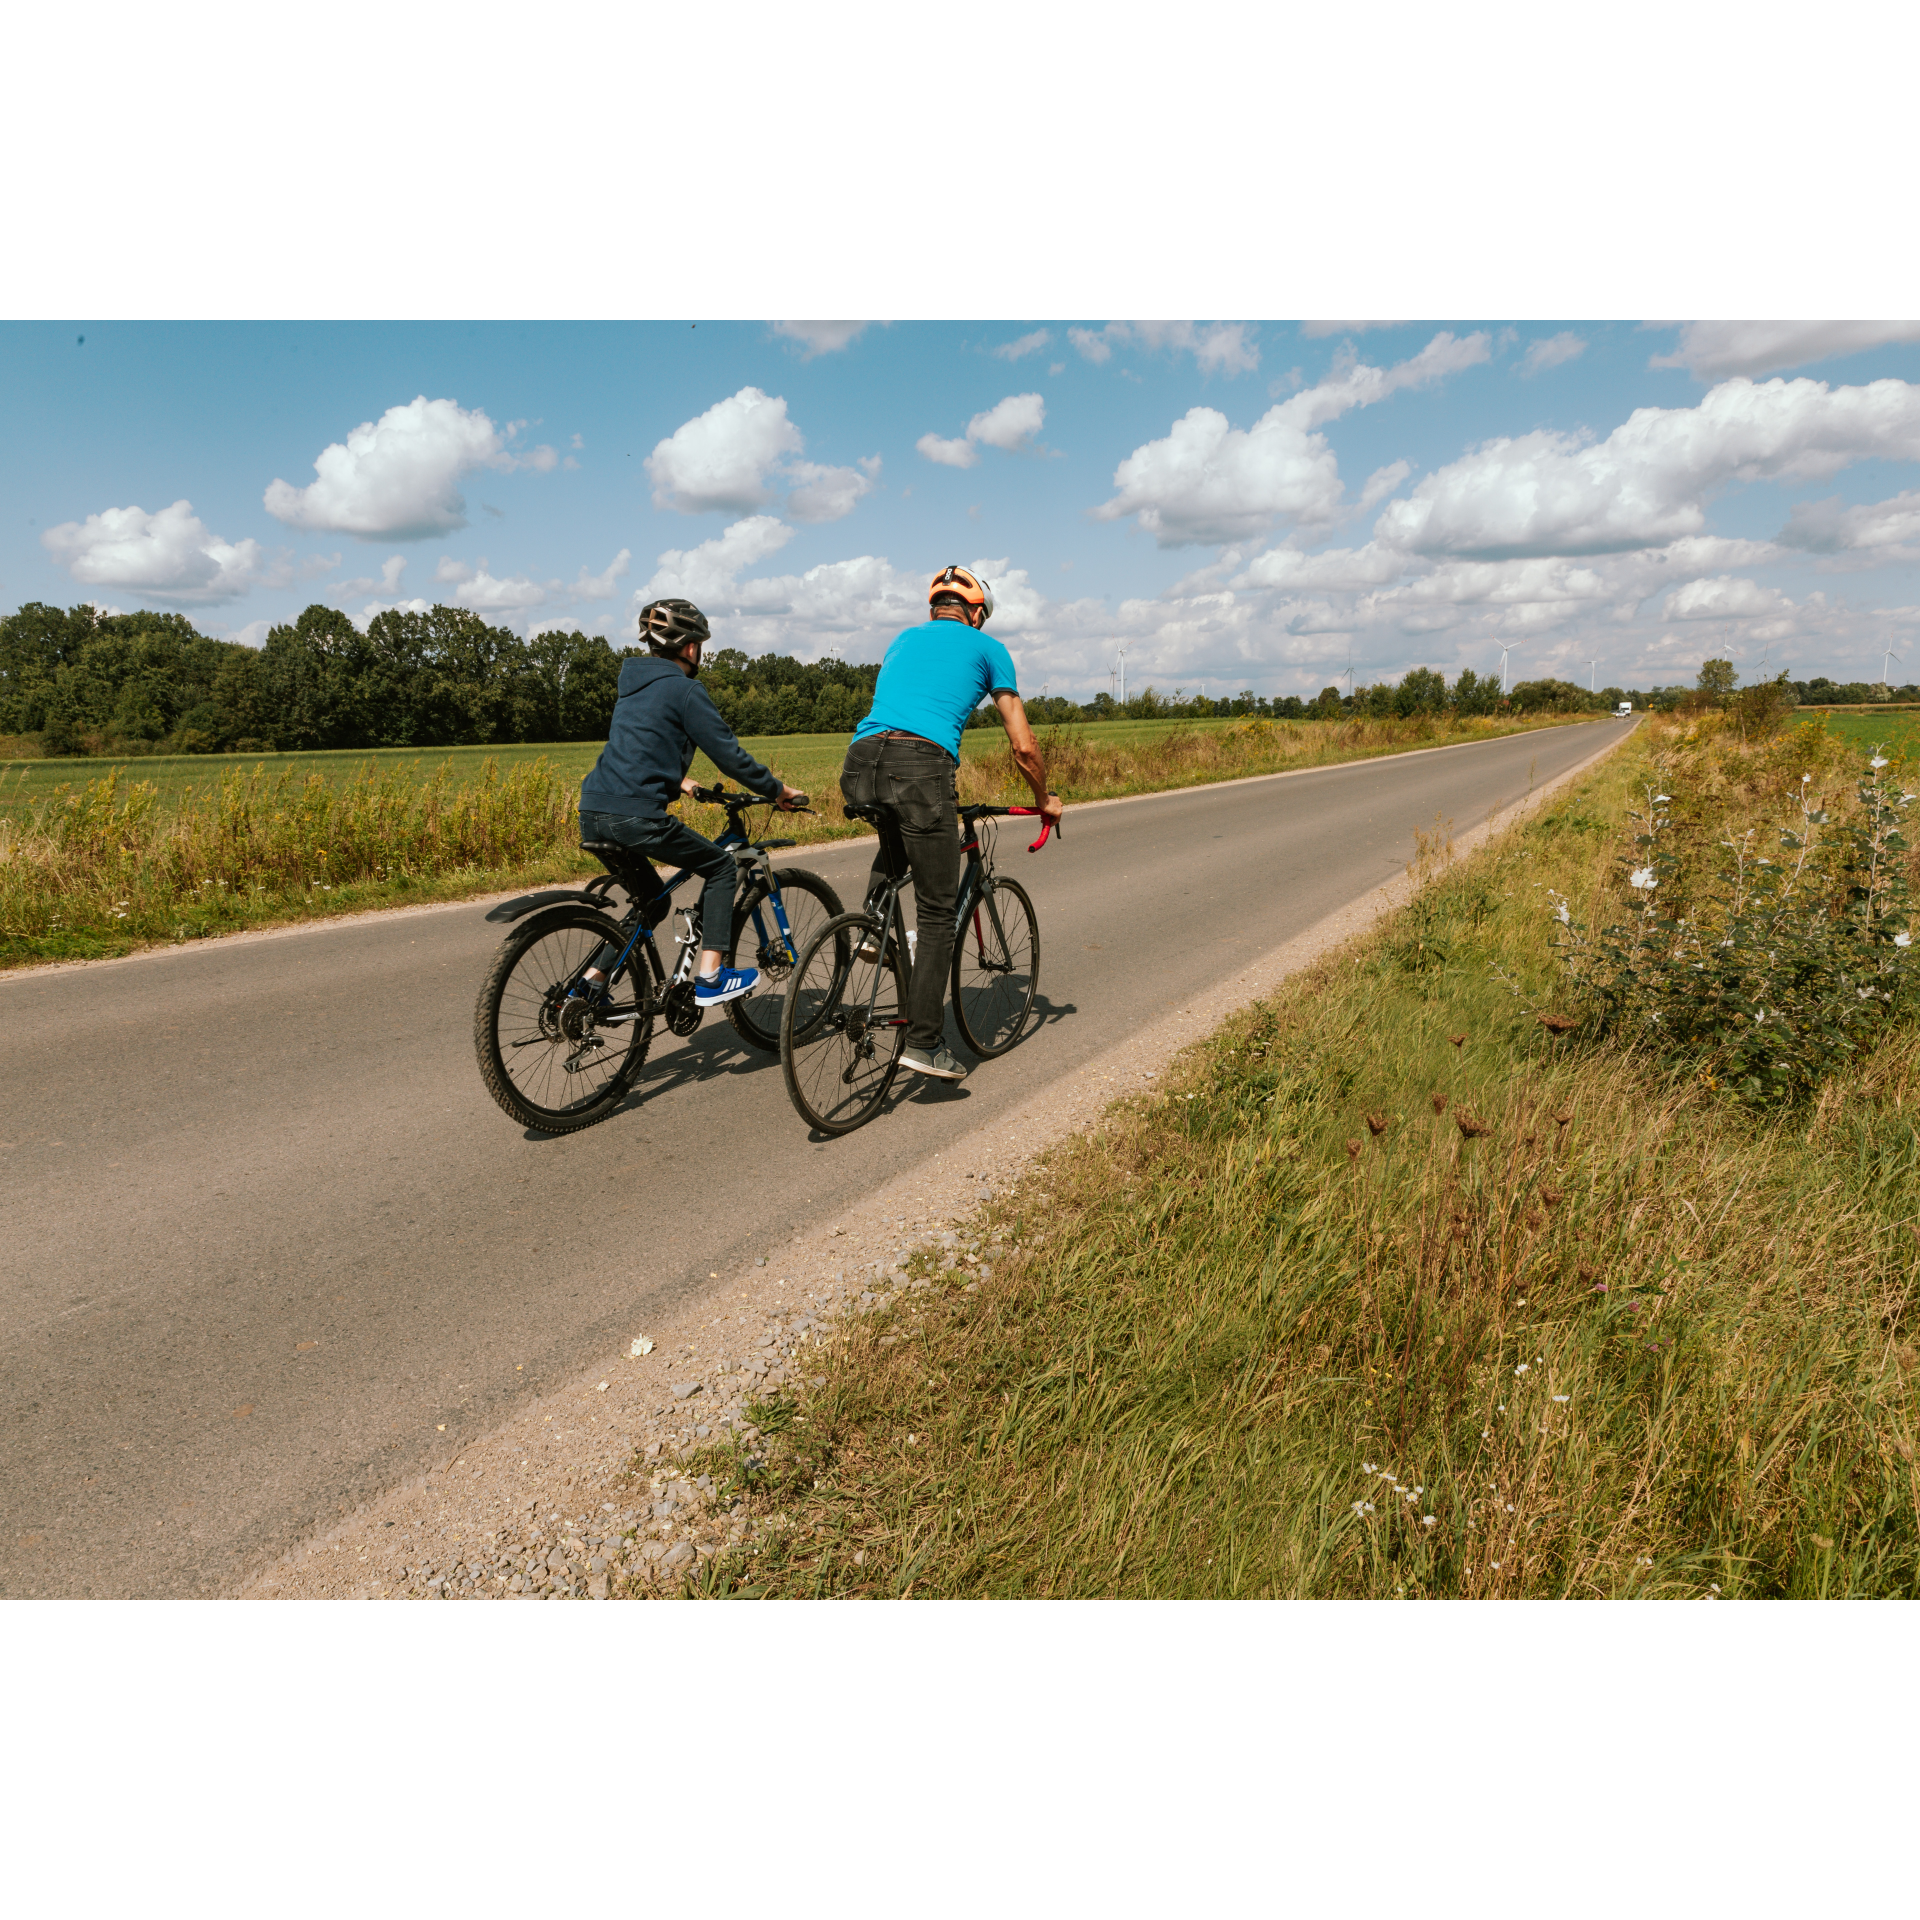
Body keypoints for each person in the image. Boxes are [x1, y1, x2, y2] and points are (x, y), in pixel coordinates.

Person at [839, 564, 1063, 1080]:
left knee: (895, 832)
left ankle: (873, 926)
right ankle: (923, 1042)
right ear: (977, 613)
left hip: (859, 763)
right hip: (921, 767)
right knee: (938, 913)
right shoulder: (989, 649)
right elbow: (1024, 746)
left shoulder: (903, 639)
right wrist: (1044, 797)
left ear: (934, 608)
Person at [578, 598, 806, 1006]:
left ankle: (590, 984)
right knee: (721, 867)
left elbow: (637, 748)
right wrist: (778, 790)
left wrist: (680, 781)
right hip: (635, 816)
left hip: (594, 809)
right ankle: (711, 977)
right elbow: (729, 756)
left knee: (652, 902)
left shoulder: (633, 687)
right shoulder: (684, 690)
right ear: (690, 647)